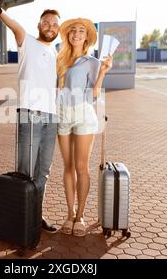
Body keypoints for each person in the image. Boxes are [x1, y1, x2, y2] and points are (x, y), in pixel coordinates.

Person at [0, 0, 60, 233]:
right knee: (25, 171)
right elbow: (13, 24)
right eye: (46, 22)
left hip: (51, 117)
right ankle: (20, 219)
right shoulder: (26, 41)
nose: (50, 26)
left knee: (43, 172)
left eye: (54, 24)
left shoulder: (55, 52)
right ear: (39, 24)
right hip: (31, 115)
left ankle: (35, 217)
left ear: (58, 29)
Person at [56, 18, 113, 236]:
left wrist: (103, 73)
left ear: (87, 37)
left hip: (83, 114)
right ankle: (69, 214)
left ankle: (80, 215)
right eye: (73, 31)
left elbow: (94, 95)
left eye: (81, 31)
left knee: (81, 167)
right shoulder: (60, 60)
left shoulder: (92, 62)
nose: (77, 34)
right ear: (68, 36)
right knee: (68, 167)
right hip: (62, 114)